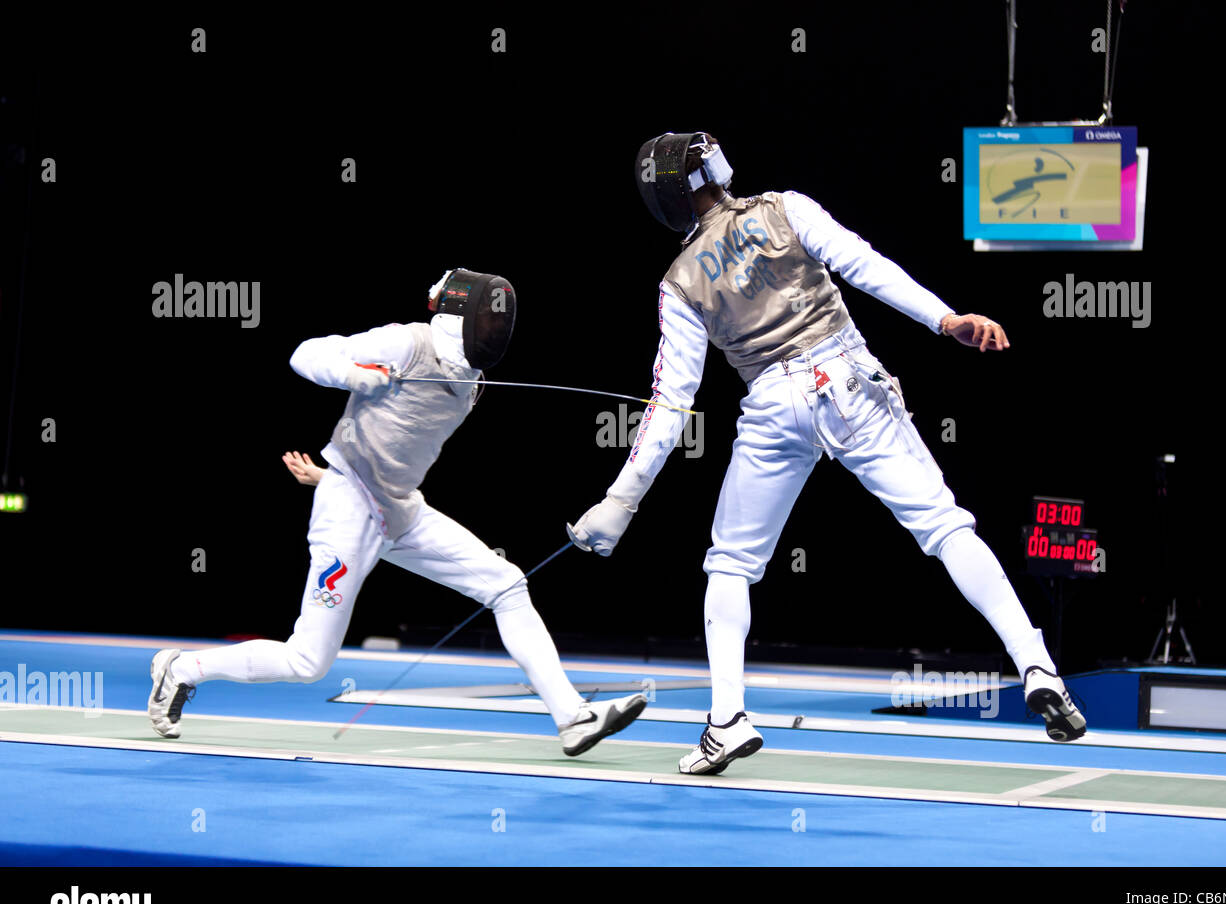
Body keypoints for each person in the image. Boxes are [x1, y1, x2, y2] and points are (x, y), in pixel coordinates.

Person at [567, 133, 1085, 775]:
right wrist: (945, 319)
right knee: (945, 525)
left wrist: (621, 501)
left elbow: (671, 406)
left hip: (773, 405)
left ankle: (726, 722)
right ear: (715, 167)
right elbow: (865, 265)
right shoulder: (787, 208)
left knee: (730, 564)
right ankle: (1037, 665)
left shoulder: (679, 283)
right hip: (849, 382)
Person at [149, 269, 646, 755]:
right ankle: (181, 669)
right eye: (489, 320)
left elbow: (398, 449)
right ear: (458, 316)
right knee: (308, 661)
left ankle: (572, 717)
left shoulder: (472, 384)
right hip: (347, 513)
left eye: (500, 323)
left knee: (507, 584)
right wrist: (354, 376)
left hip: (402, 510)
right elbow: (306, 354)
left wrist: (331, 476)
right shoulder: (406, 342)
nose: (495, 331)